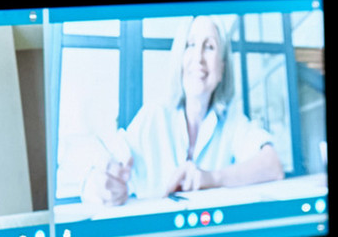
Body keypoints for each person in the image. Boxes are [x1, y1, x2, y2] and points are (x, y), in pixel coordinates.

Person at [81, 16, 284, 207]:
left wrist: (209, 178)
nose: (198, 58)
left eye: (210, 47)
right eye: (190, 45)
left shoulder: (231, 120)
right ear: (180, 58)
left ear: (222, 68)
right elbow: (105, 169)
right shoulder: (153, 116)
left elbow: (272, 165)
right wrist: (99, 185)